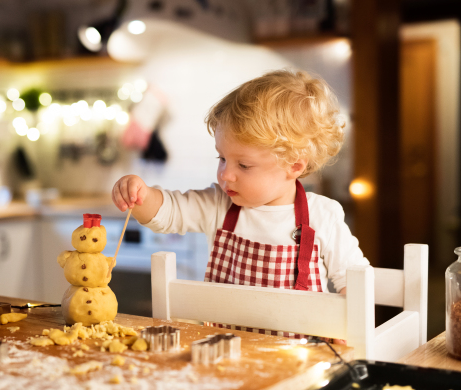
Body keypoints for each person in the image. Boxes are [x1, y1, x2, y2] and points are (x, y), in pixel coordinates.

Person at [111, 69, 369, 341]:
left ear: (294, 165)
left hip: (302, 359)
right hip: (227, 356)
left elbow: (356, 282)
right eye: (221, 158)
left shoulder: (322, 215)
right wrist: (141, 195)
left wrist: (346, 327)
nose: (225, 174)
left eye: (243, 165)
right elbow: (171, 212)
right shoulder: (219, 206)